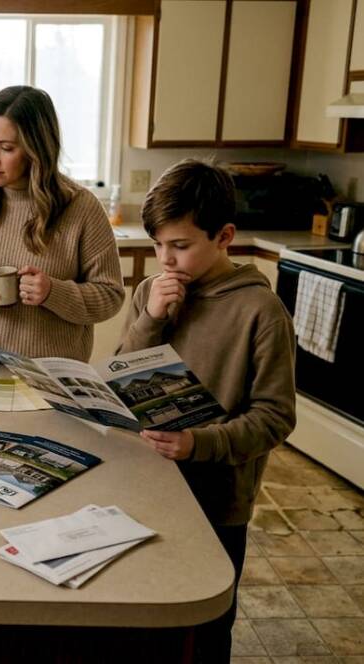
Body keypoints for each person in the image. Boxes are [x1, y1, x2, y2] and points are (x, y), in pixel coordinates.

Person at [116, 159, 296, 663]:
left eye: (181, 246)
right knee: (149, 609)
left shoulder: (261, 312)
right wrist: (150, 320)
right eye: (157, 246)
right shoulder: (152, 291)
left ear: (225, 236)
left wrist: (202, 443)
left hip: (217, 497)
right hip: (149, 480)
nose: (165, 260)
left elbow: (276, 416)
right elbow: (121, 371)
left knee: (208, 626)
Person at [0, 85, 124, 363]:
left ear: (37, 149)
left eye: (6, 148)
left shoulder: (81, 207)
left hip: (55, 371)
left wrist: (53, 292)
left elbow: (110, 296)